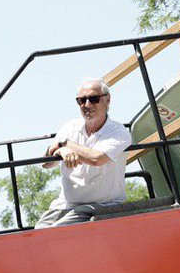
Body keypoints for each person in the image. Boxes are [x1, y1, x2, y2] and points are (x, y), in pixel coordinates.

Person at [36, 80, 133, 228]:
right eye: (81, 100)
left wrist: (65, 144)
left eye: (93, 99)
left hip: (102, 206)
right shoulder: (70, 127)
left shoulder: (118, 132)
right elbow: (46, 164)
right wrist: (61, 151)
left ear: (108, 99)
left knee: (55, 233)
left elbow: (96, 158)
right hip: (65, 205)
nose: (87, 105)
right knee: (36, 234)